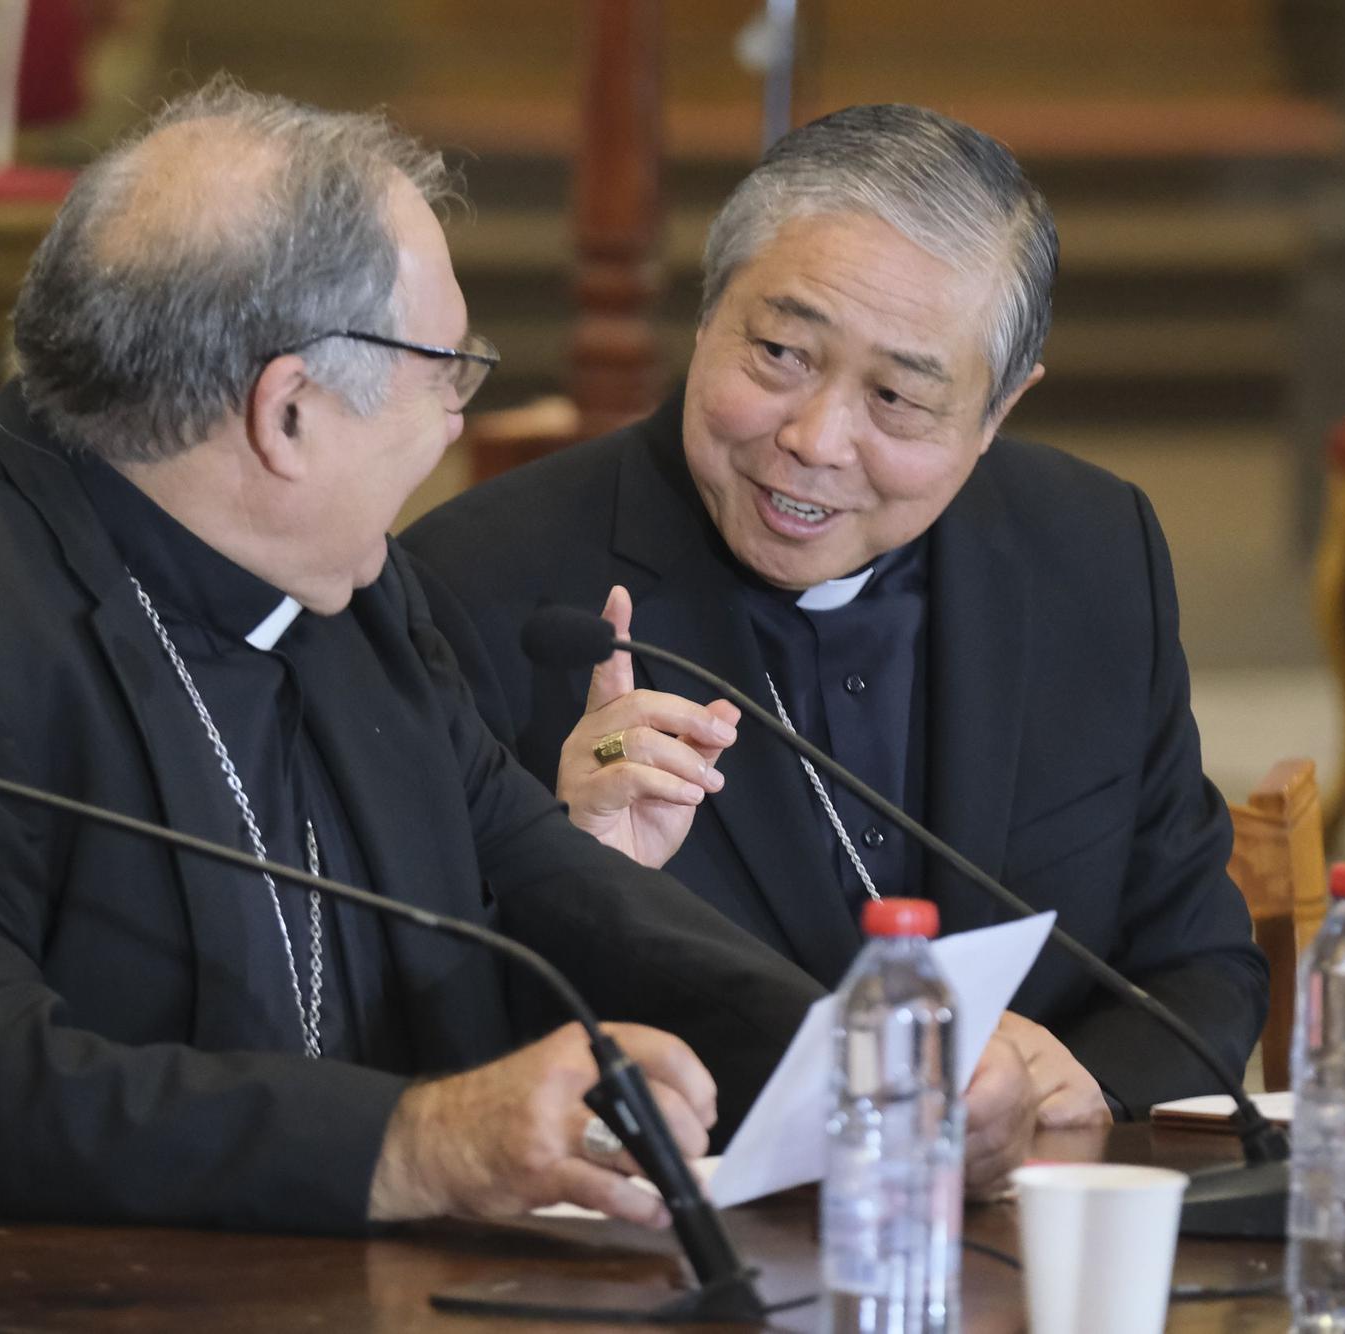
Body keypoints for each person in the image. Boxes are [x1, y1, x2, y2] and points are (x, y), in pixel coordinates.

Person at [0, 85, 1034, 1232]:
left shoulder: (339, 587)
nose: (455, 418)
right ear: (290, 413)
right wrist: (418, 1141)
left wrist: (854, 1057)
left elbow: (538, 870)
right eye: (448, 370)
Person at [404, 103, 1268, 1126]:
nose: (814, 438)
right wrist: (576, 875)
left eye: (897, 398)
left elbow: (1197, 960)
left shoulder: (1088, 550)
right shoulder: (476, 589)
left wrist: (1080, 1082)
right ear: (708, 308)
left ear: (998, 410)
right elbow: (417, 1039)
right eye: (777, 351)